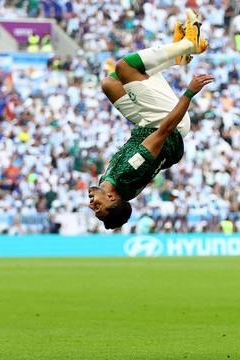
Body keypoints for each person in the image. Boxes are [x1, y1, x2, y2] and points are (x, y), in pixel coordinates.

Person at [88, 9, 210, 230]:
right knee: (125, 67)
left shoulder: (110, 182)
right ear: (112, 198)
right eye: (98, 207)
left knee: (110, 84)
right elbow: (163, 133)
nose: (91, 205)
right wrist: (189, 94)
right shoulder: (128, 173)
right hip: (167, 123)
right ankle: (189, 44)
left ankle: (177, 57)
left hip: (146, 125)